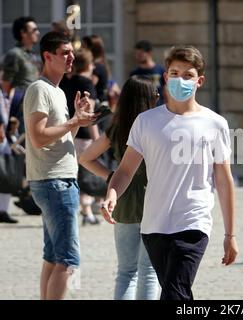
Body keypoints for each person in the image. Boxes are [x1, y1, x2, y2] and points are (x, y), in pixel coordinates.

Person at [102, 45, 238, 300]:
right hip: (153, 226)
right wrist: (112, 194)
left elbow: (224, 179)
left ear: (200, 81)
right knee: (176, 293)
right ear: (165, 77)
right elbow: (125, 170)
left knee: (175, 293)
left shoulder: (215, 123)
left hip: (193, 223)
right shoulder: (146, 121)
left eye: (188, 75)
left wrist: (230, 235)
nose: (180, 79)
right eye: (175, 73)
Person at [23, 31, 95, 300]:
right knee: (67, 259)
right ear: (47, 56)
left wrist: (76, 119)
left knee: (53, 256)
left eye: (71, 52)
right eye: (65, 52)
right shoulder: (39, 89)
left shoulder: (57, 92)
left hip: (58, 178)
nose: (71, 57)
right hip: (54, 181)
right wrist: (74, 122)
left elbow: (63, 137)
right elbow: (39, 136)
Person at [79, 75, 159, 300]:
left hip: (122, 200)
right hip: (153, 201)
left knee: (126, 272)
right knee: (149, 272)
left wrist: (111, 176)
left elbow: (85, 157)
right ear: (150, 99)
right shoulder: (155, 125)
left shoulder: (117, 125)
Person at [60, 48, 101, 226]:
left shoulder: (65, 81)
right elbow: (89, 113)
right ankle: (87, 211)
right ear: (88, 64)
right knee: (86, 174)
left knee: (70, 174)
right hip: (84, 134)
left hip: (67, 131)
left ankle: (71, 209)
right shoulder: (86, 83)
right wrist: (97, 139)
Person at [2, 16, 41, 134]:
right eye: (34, 30)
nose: (38, 32)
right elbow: (5, 85)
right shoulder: (14, 54)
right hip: (20, 108)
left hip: (35, 105)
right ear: (23, 33)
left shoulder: (34, 55)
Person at [129, 40, 166, 105]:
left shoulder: (161, 71)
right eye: (136, 54)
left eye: (140, 53)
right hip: (141, 109)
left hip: (158, 108)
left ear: (149, 53)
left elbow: (166, 91)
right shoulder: (134, 74)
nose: (137, 56)